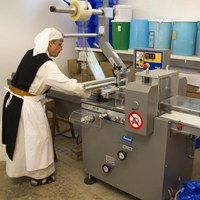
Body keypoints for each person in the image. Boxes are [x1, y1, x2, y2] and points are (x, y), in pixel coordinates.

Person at [2, 27, 91, 186]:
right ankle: (40, 176)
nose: (61, 48)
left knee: (21, 140)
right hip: (28, 106)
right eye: (59, 44)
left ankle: (21, 170)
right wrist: (90, 91)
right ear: (50, 44)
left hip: (14, 101)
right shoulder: (47, 64)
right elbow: (67, 85)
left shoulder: (31, 53)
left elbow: (42, 80)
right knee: (38, 140)